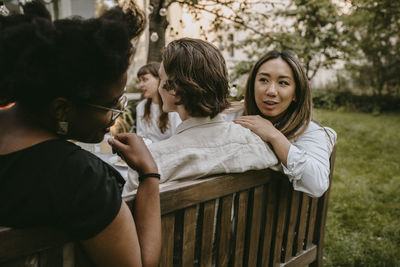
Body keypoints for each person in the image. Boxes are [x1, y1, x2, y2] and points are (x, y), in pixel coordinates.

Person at [0, 1, 161, 266]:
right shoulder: (78, 177)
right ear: (61, 109)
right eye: (110, 104)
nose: (115, 114)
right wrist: (149, 175)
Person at [123, 38, 278, 194]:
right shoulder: (259, 145)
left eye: (162, 80)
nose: (160, 87)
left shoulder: (149, 162)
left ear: (174, 90)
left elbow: (130, 210)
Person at [233, 50, 337, 198]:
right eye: (263, 80)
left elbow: (318, 185)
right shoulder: (233, 117)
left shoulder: (310, 131)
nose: (271, 91)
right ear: (252, 85)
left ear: (296, 93)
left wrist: (274, 135)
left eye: (283, 83)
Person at [135, 62, 181, 143]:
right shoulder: (141, 107)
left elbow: (177, 138)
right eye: (140, 80)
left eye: (145, 79)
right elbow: (141, 135)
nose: (141, 85)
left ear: (160, 79)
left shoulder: (173, 107)